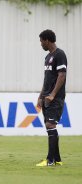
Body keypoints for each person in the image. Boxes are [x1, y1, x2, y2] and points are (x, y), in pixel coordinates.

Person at [36, 30, 67, 166]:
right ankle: (58, 160)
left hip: (55, 97)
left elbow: (62, 75)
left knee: (50, 125)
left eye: (41, 41)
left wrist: (53, 94)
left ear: (47, 40)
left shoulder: (60, 55)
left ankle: (50, 160)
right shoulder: (47, 57)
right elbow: (47, 79)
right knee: (50, 126)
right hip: (46, 97)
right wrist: (40, 96)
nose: (41, 44)